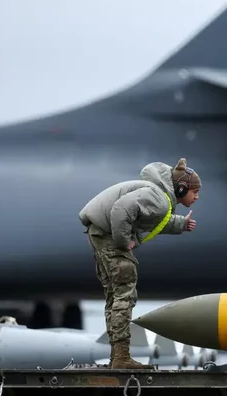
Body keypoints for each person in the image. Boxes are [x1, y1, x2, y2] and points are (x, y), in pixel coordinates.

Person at [79, 158, 201, 369]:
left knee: (115, 295)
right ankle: (121, 358)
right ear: (181, 188)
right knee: (125, 292)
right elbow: (121, 210)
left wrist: (181, 224)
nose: (196, 196)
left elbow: (154, 219)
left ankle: (117, 356)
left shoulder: (159, 198)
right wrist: (124, 241)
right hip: (108, 236)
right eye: (194, 191)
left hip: (100, 233)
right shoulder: (158, 198)